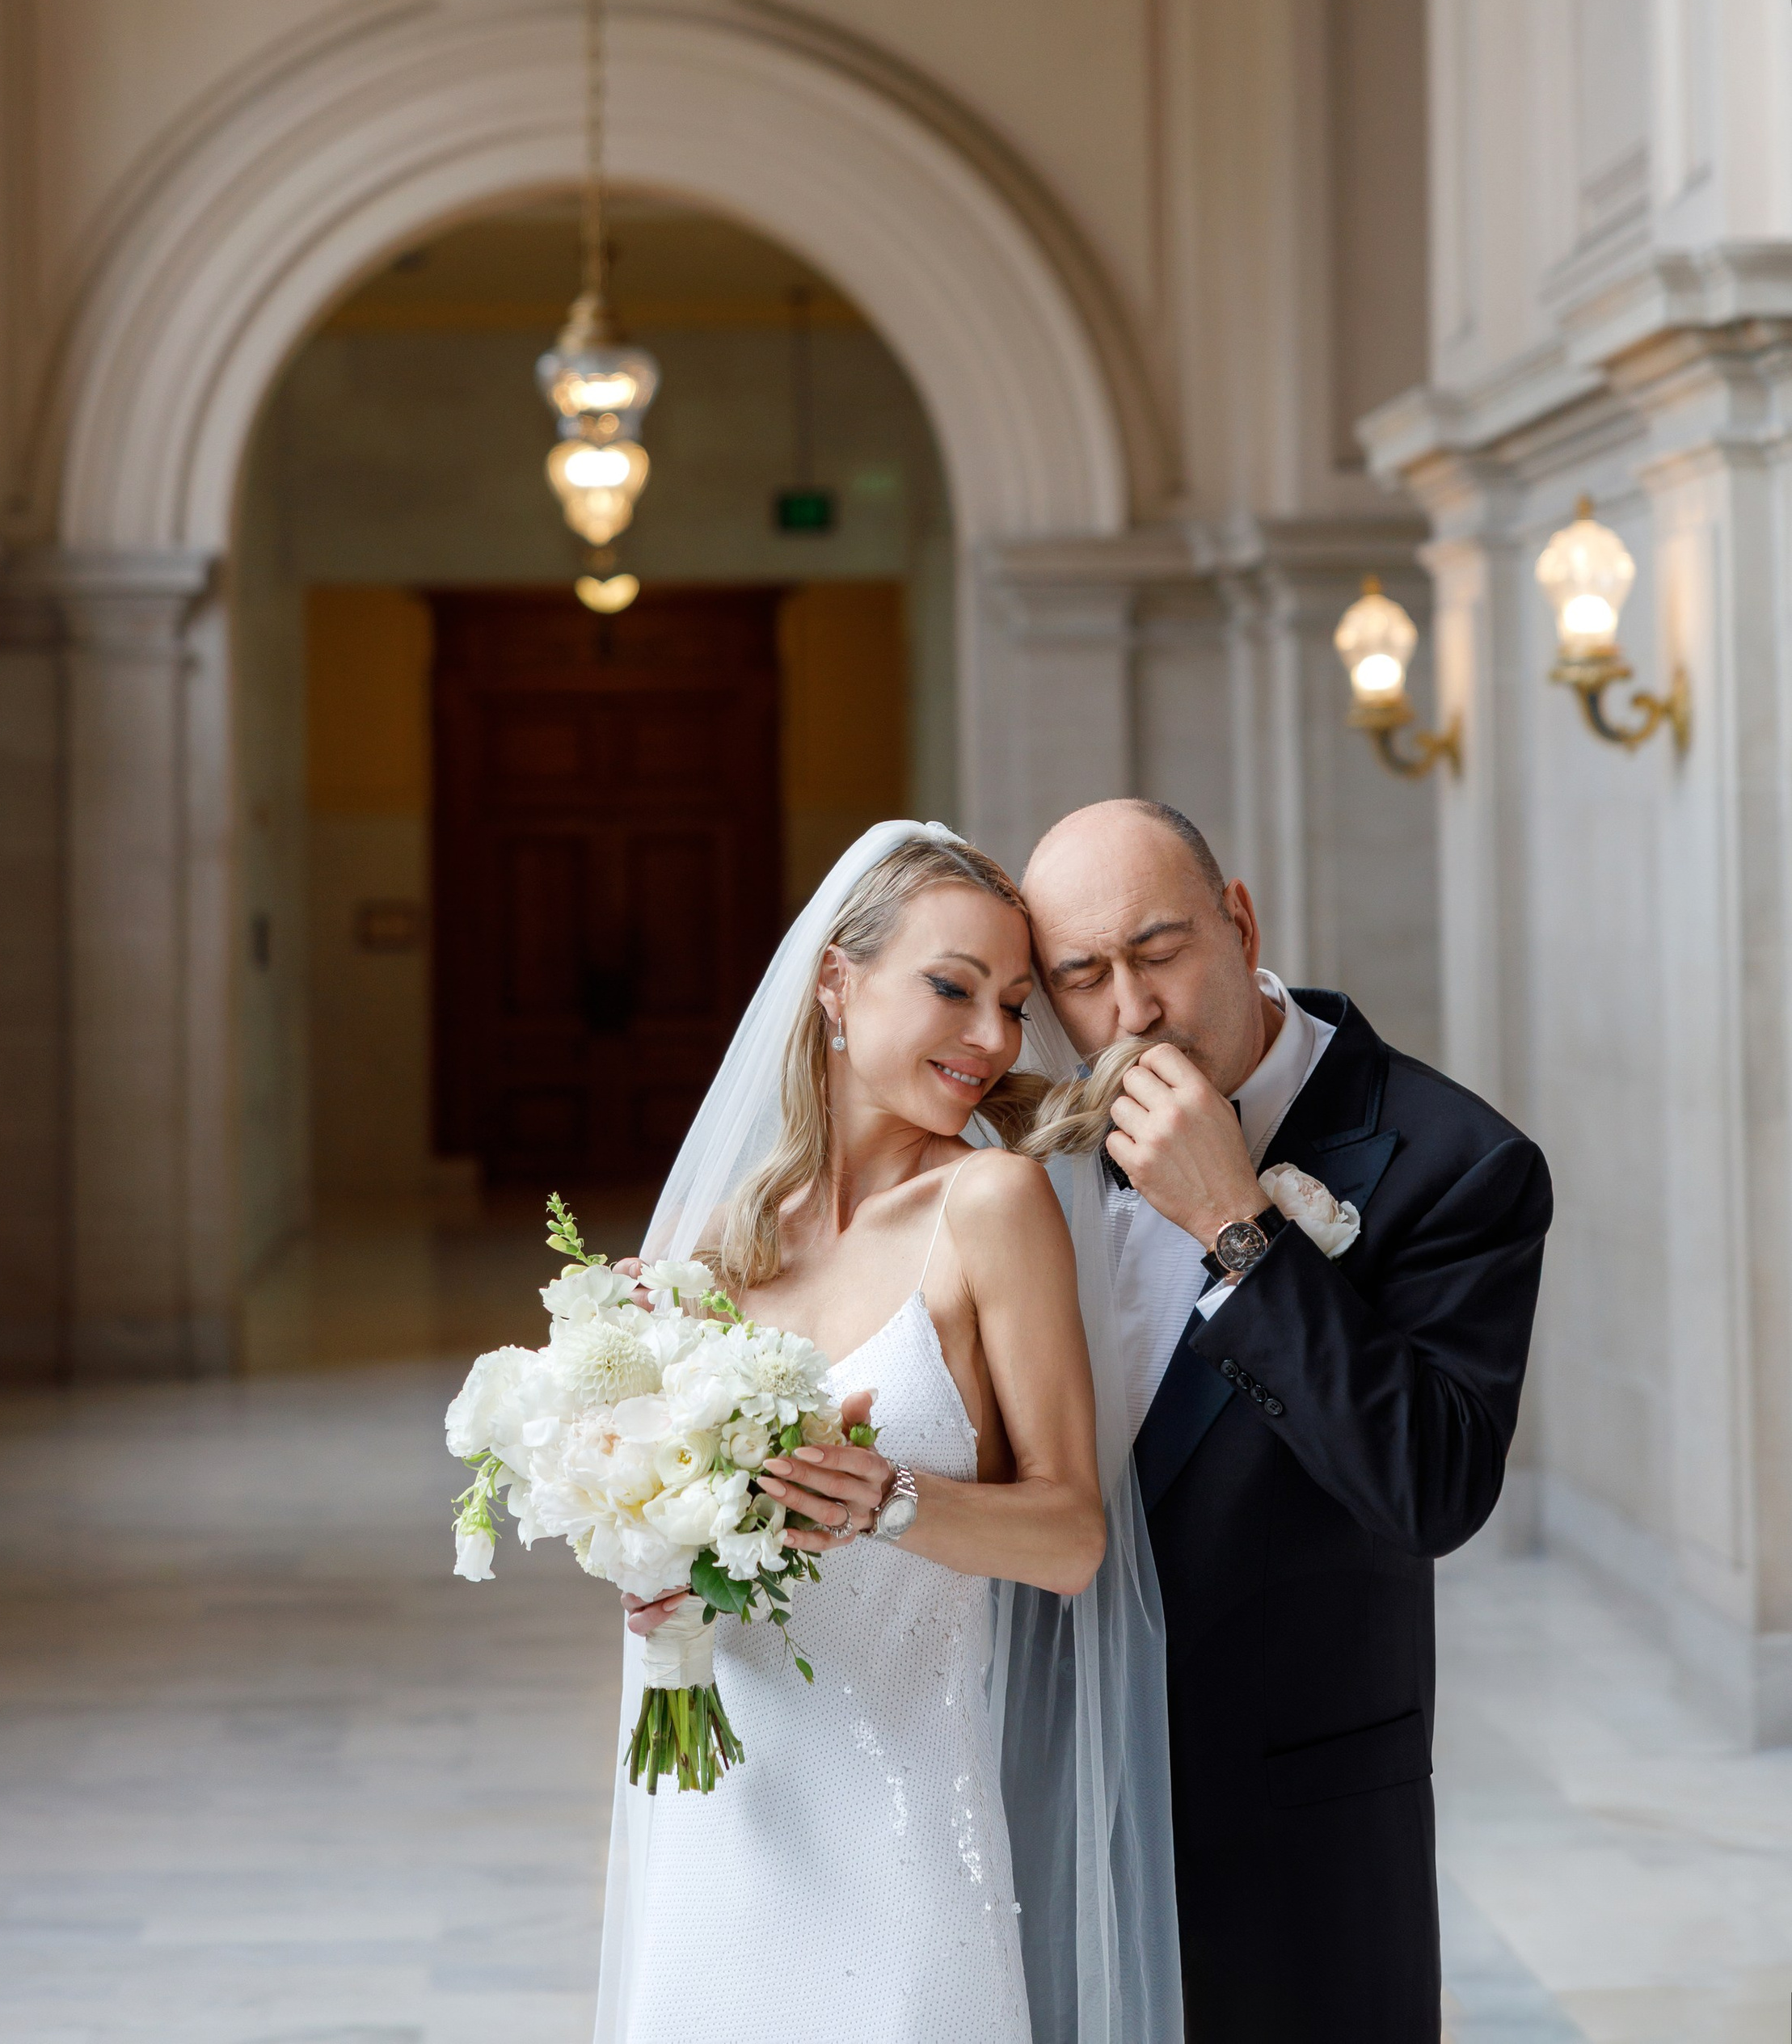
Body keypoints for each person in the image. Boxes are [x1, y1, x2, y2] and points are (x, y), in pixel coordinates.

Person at [597, 822, 1183, 2044]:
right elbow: (675, 1531)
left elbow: (1074, 1537)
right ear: (835, 983)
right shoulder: (712, 1250)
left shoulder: (989, 1206)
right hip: (726, 1821)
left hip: (904, 1837)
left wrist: (889, 1500)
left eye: (1015, 1005)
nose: (990, 1038)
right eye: (952, 987)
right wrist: (657, 1578)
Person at [1019, 797, 1553, 2044]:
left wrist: (1239, 1237)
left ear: (1240, 919)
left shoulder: (1455, 1160)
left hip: (1291, 1826)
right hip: (1041, 1794)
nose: (1130, 1012)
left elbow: (1433, 1485)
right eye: (1083, 978)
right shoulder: (1023, 1152)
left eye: (1158, 954)